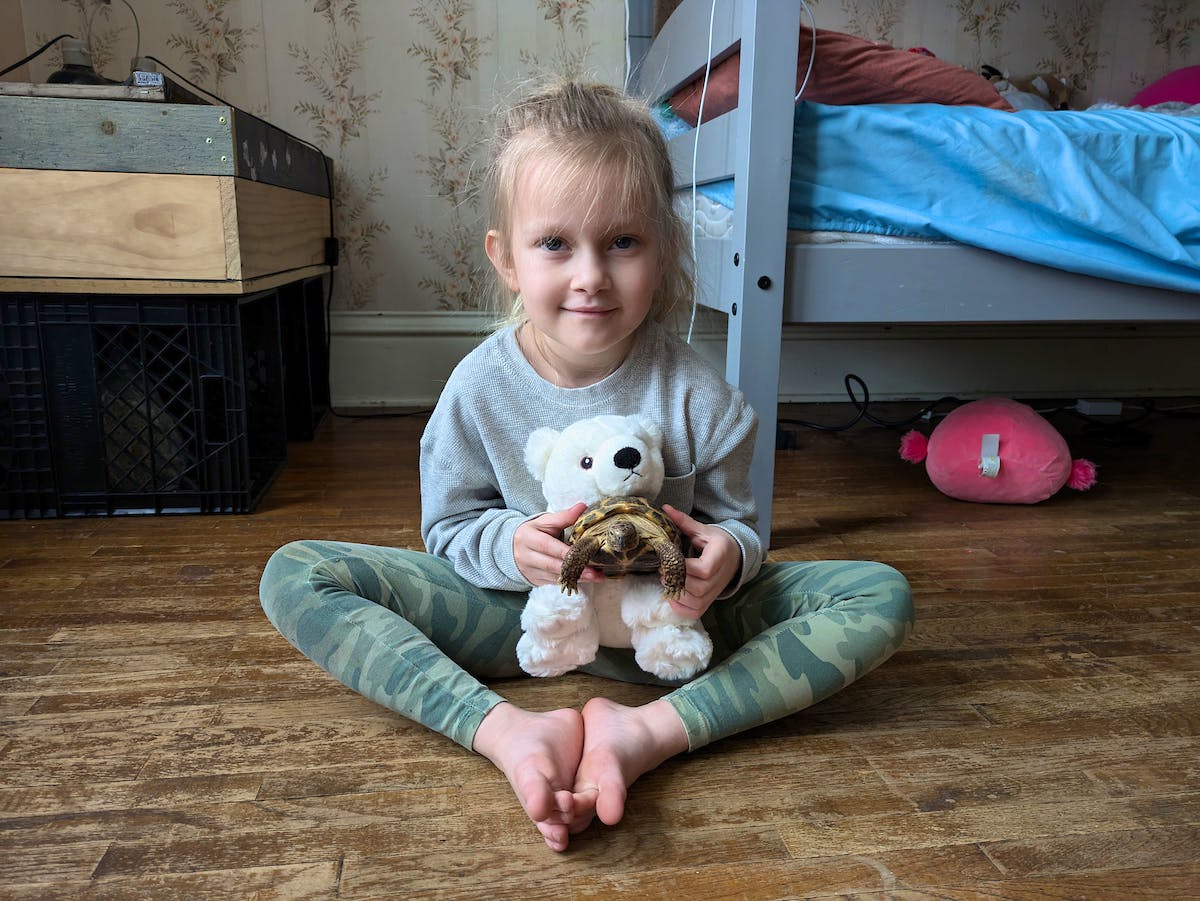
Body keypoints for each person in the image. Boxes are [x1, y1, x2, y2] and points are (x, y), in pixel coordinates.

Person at [259, 80, 913, 853]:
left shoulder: (701, 397)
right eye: (555, 244)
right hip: (515, 617)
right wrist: (510, 545)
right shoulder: (477, 388)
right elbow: (448, 526)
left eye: (622, 242)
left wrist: (727, 557)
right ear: (505, 258)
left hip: (666, 627)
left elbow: (740, 523)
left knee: (881, 593)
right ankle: (506, 732)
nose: (591, 275)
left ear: (661, 248)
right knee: (295, 573)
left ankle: (644, 734)